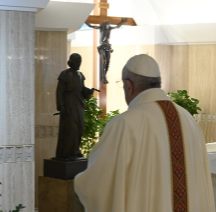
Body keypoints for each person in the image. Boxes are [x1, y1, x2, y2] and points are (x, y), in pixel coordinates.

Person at [74, 54, 215, 212]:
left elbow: (98, 184)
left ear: (129, 86)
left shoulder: (125, 124)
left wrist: (80, 181)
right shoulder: (188, 120)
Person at [55, 53, 94, 160]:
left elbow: (82, 90)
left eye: (80, 62)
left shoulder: (80, 75)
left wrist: (88, 92)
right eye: (77, 62)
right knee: (71, 128)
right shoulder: (65, 74)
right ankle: (67, 153)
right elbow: (59, 91)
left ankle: (75, 151)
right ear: (72, 62)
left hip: (78, 104)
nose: (79, 64)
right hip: (69, 103)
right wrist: (61, 106)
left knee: (80, 127)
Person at [85, 18, 127, 84]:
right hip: (102, 47)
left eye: (108, 24)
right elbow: (91, 26)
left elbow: (117, 26)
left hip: (108, 47)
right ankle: (104, 78)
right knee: (104, 62)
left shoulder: (110, 29)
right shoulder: (101, 28)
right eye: (106, 24)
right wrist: (85, 21)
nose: (107, 26)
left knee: (108, 63)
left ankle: (105, 76)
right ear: (104, 25)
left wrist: (123, 22)